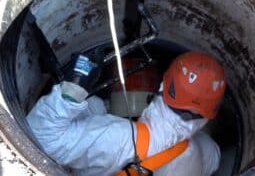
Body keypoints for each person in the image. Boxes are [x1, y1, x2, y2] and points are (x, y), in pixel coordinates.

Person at [27, 51, 226, 176]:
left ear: (164, 84)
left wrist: (71, 93)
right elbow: (215, 160)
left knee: (92, 106)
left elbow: (38, 140)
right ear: (210, 113)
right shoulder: (205, 150)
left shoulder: (118, 140)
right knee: (95, 106)